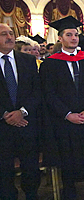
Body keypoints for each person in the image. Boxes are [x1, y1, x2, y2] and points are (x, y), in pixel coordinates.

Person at [39, 16, 84, 200]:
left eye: (76, 34)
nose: (74, 38)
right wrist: (67, 114)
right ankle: (69, 190)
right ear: (60, 38)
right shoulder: (50, 64)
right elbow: (48, 94)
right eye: (69, 34)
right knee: (67, 157)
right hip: (64, 121)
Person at [0, 23, 41, 200]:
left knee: (31, 167)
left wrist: (22, 112)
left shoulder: (27, 60)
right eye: (3, 34)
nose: (9, 37)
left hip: (26, 124)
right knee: (4, 170)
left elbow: (37, 90)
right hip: (2, 128)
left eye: (11, 33)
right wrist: (5, 115)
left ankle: (31, 194)